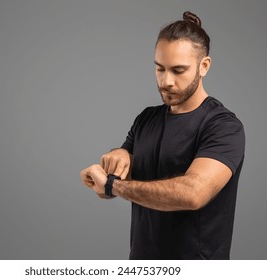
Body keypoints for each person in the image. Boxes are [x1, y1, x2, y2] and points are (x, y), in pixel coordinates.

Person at [80, 11, 245, 260]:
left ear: (204, 66)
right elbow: (120, 179)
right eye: (160, 68)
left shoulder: (223, 126)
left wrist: (114, 186)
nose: (166, 81)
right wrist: (114, 161)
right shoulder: (146, 119)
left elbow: (192, 193)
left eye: (178, 70)